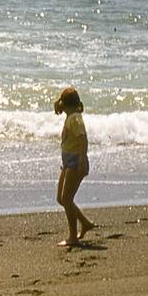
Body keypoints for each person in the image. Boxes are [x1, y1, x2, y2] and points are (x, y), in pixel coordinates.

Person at [54, 86, 96, 246]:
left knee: (67, 199)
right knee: (61, 199)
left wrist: (82, 159)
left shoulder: (75, 119)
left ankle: (72, 237)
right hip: (68, 162)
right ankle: (84, 223)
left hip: (76, 161)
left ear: (64, 103)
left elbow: (83, 139)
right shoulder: (71, 116)